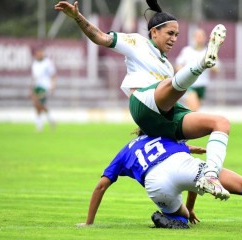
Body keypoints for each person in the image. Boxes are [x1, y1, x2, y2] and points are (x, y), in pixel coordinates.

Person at [55, 0, 230, 200]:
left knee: (220, 123)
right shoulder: (137, 42)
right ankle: (201, 63)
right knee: (172, 85)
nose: (174, 39)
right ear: (154, 32)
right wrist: (77, 16)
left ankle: (210, 176)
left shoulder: (167, 66)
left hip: (160, 114)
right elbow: (100, 37)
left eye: (176, 35)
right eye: (170, 34)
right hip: (142, 102)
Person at [76, 134, 242, 231]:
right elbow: (189, 173)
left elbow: (101, 186)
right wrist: (193, 206)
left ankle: (172, 219)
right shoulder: (167, 136)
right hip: (181, 164)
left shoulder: (122, 153)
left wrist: (89, 223)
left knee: (178, 216)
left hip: (155, 184)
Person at [176, 28, 219, 111]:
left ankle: (187, 122)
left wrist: (210, 64)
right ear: (193, 38)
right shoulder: (187, 51)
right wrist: (185, 73)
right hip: (190, 84)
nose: (200, 38)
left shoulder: (209, 52)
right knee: (194, 109)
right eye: (198, 36)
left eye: (202, 36)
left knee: (195, 111)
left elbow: (217, 69)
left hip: (202, 85)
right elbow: (178, 65)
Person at [30, 46, 57, 132]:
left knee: (38, 103)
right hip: (37, 86)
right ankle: (50, 120)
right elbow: (34, 77)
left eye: (41, 52)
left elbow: (53, 75)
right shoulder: (34, 64)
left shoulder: (47, 63)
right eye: (38, 53)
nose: (39, 54)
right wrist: (31, 88)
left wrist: (53, 85)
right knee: (37, 105)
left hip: (45, 86)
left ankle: (39, 126)